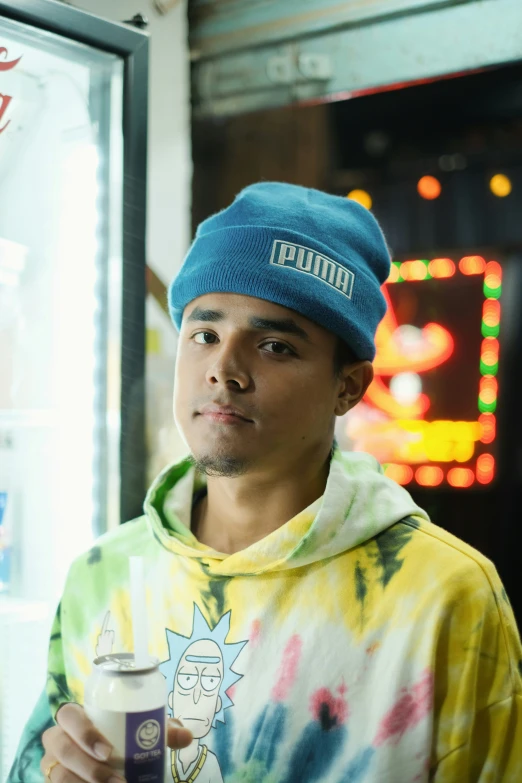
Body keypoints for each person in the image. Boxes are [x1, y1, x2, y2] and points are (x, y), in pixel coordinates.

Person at [8, 182, 522, 783]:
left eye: (275, 345)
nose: (223, 369)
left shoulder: (445, 598)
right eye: (204, 335)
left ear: (348, 387)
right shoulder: (104, 575)